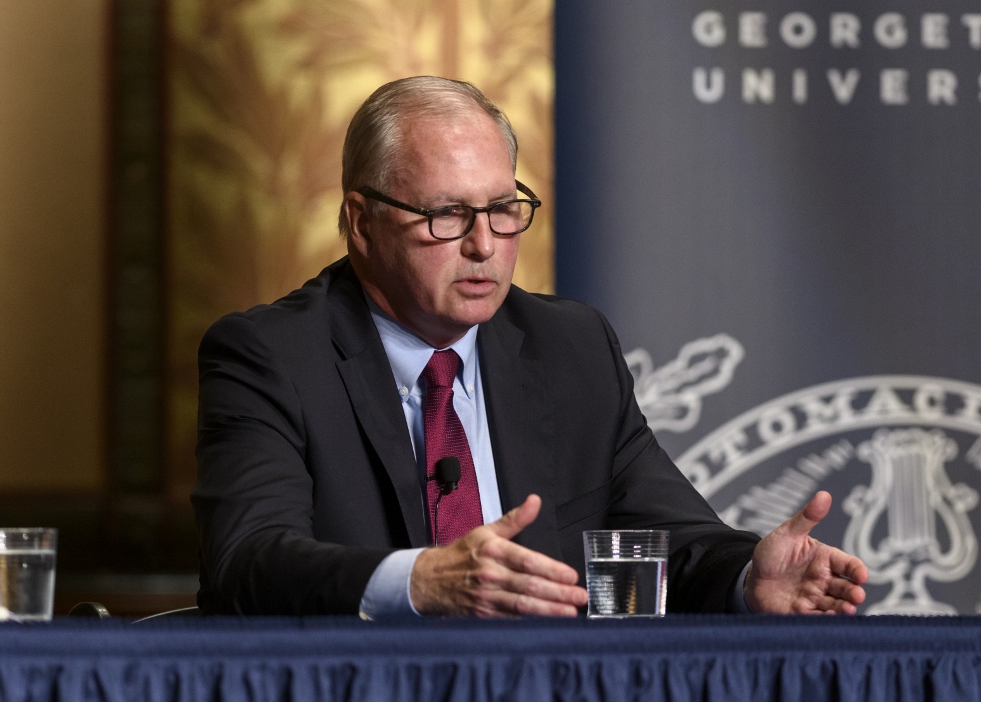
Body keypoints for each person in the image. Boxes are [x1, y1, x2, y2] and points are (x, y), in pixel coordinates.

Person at [192, 76, 868, 617]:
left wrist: (749, 577)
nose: (484, 244)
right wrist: (421, 581)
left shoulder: (569, 346)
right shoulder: (272, 356)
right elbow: (248, 561)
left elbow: (663, 540)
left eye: (502, 208)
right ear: (361, 223)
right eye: (447, 215)